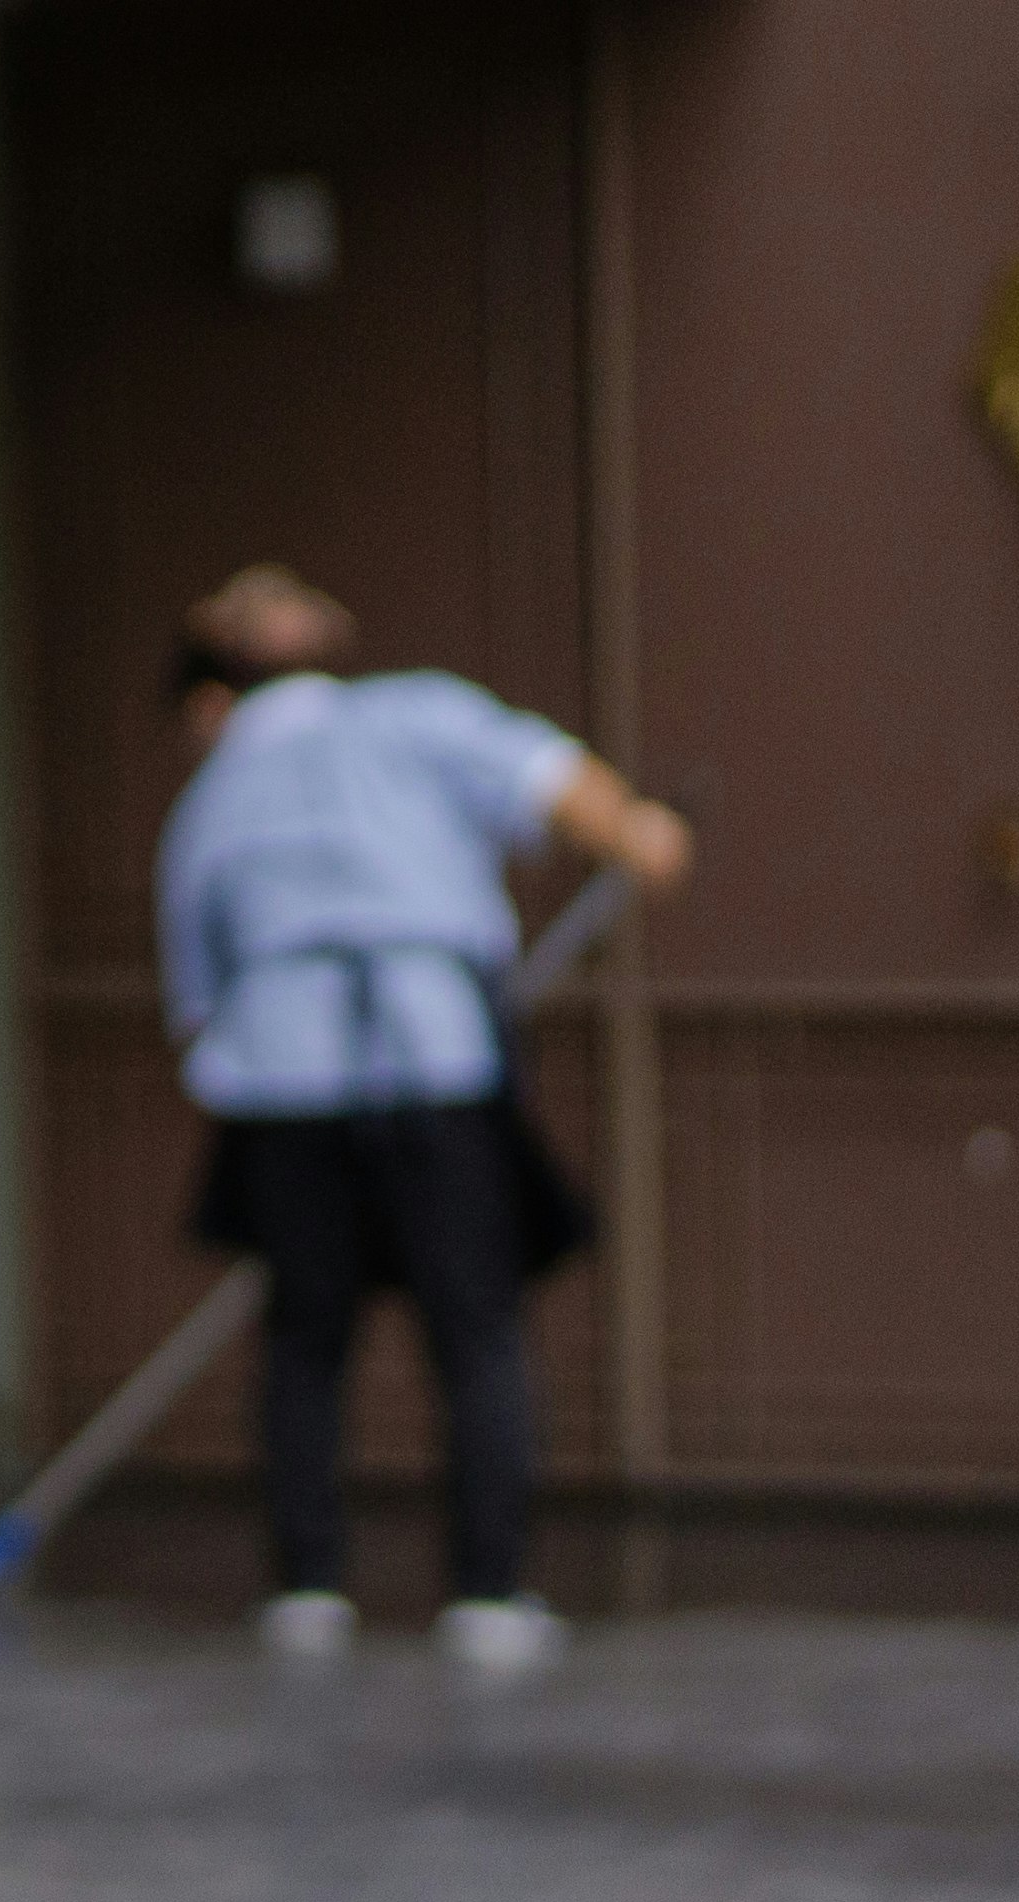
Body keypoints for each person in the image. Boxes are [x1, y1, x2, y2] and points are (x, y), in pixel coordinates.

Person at [154, 563, 691, 1671]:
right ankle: (485, 1591)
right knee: (474, 1326)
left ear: (209, 703)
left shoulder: (209, 792)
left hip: (283, 1078)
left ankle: (305, 1586)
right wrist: (639, 829)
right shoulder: (414, 713)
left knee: (304, 1333)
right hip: (433, 1055)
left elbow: (194, 993)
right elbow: (555, 783)